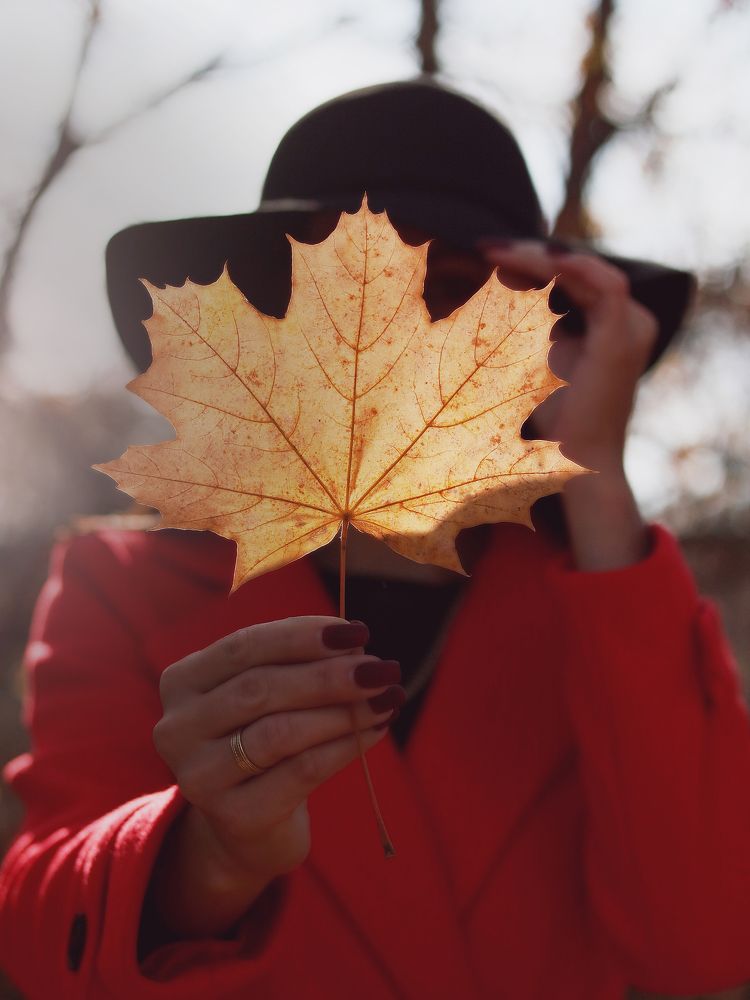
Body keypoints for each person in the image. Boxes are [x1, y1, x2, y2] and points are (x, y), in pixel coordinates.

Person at [1, 78, 749, 999]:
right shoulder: (122, 585)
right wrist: (206, 861)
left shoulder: (601, 604)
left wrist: (595, 479)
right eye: (348, 292)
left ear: (546, 336)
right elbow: (44, 945)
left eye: (456, 291)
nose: (401, 335)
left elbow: (706, 944)